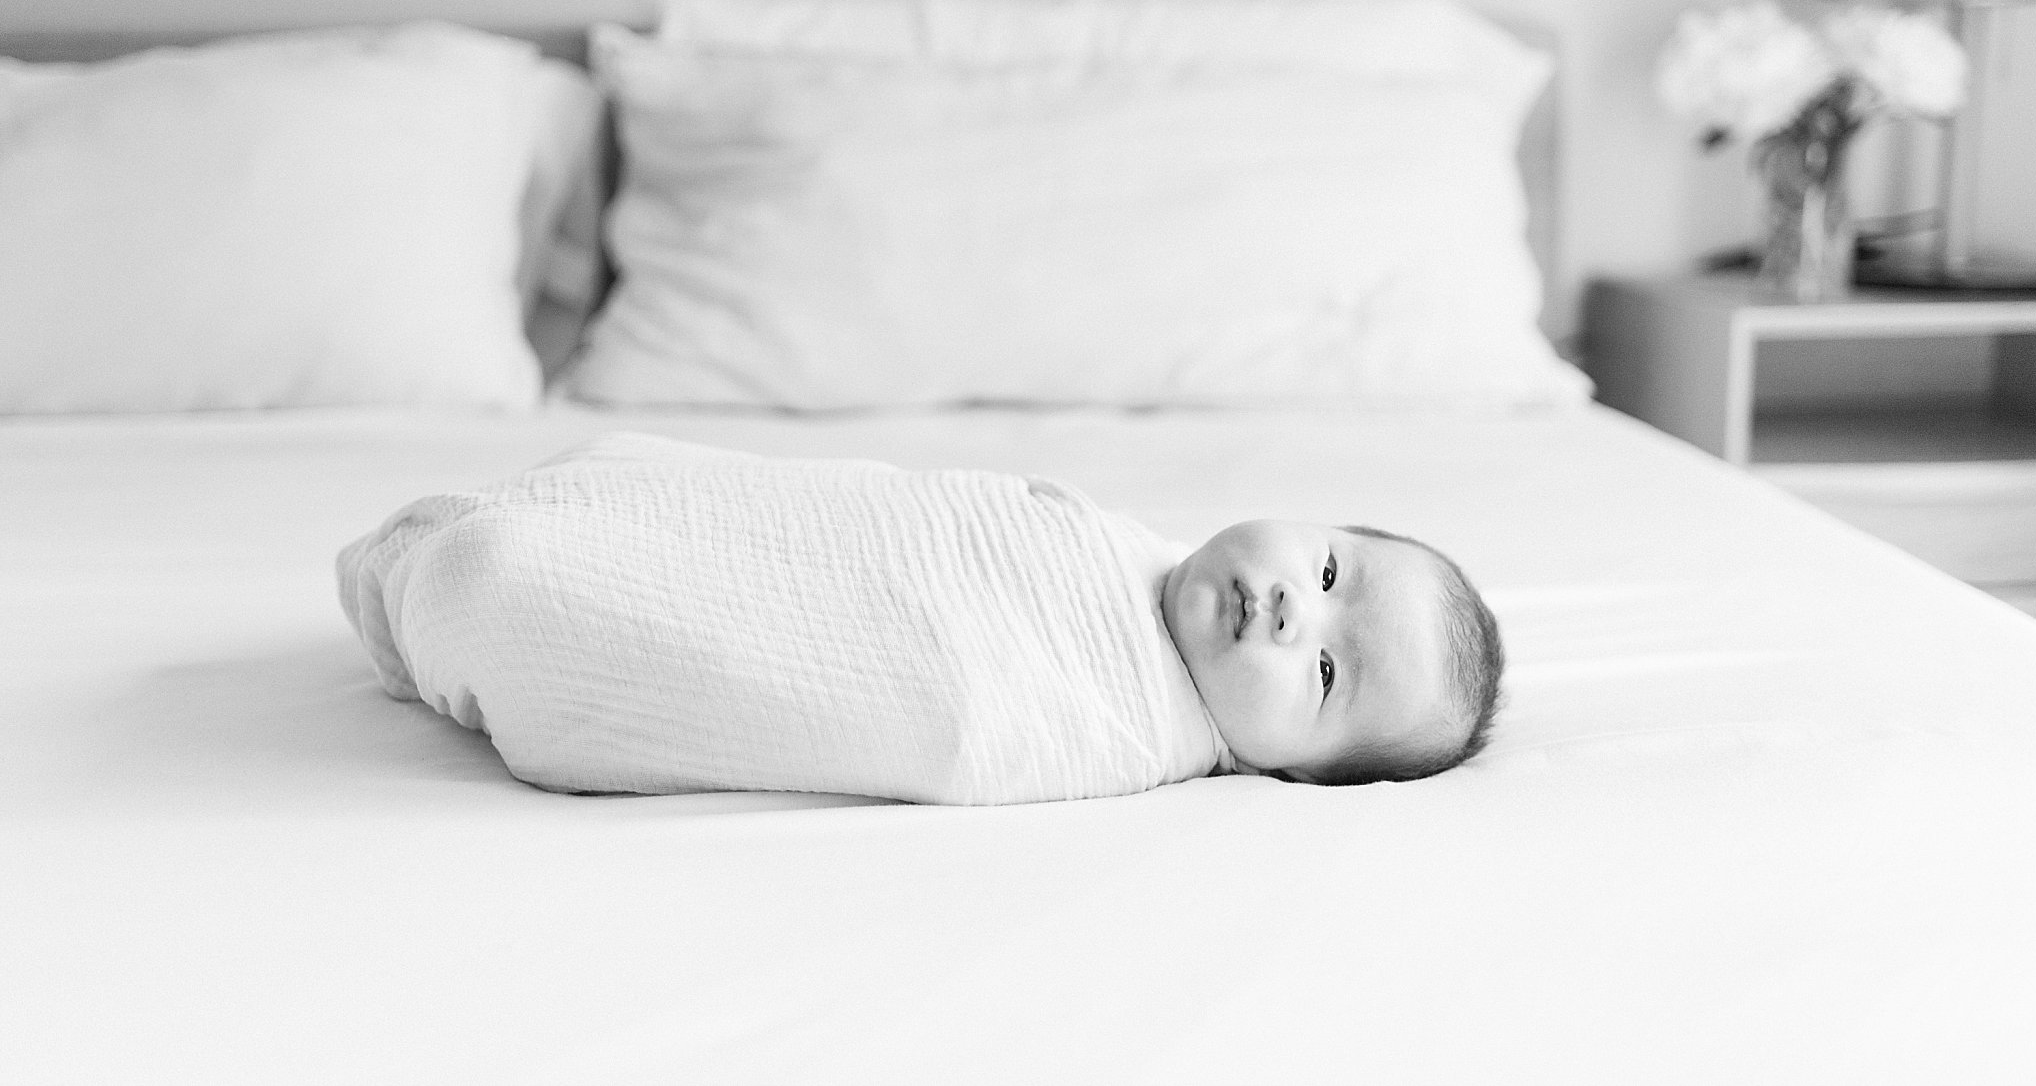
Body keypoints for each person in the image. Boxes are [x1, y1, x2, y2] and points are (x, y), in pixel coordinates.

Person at [340, 434, 1504, 803]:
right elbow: (877, 524)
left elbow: (944, 702)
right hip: (794, 531)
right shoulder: (1122, 544)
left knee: (514, 575)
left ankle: (481, 584)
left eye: (1323, 681)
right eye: (1336, 573)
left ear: (1288, 774)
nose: (1297, 611)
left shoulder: (1112, 723)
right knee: (636, 496)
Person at [1162, 520, 1502, 786]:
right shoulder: (1146, 549)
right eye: (1328, 575)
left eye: (1326, 673)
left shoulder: (1146, 736)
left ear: (1284, 771)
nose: (1293, 610)